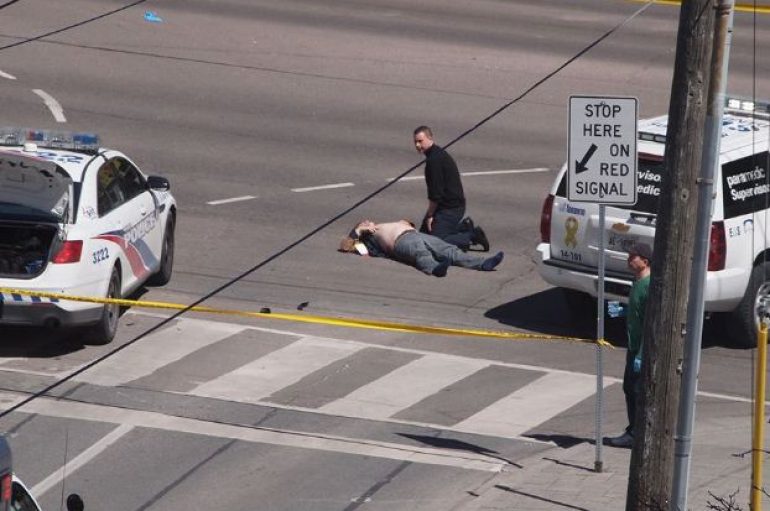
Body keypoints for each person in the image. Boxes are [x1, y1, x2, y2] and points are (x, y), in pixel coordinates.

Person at [603, 242, 652, 448]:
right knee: (629, 388)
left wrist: (642, 353)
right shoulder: (637, 282)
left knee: (636, 390)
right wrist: (624, 310)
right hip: (633, 346)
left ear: (645, 261)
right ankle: (634, 429)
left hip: (641, 348)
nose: (629, 259)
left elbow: (650, 322)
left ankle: (636, 434)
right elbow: (639, 311)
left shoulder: (648, 285)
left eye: (634, 256)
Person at [339, 219, 503, 277]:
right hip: (401, 242)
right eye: (363, 223)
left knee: (448, 250)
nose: (367, 221)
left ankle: (483, 264)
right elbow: (345, 246)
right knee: (420, 253)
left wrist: (405, 223)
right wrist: (359, 231)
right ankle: (434, 269)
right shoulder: (367, 238)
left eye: (367, 221)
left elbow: (409, 223)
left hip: (414, 234)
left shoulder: (381, 225)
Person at [413, 125, 489, 251]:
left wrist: (430, 215)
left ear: (430, 138)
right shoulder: (436, 154)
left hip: (451, 208)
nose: (417, 145)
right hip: (444, 206)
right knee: (423, 237)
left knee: (435, 242)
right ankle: (464, 227)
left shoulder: (434, 161)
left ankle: (472, 235)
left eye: (420, 141)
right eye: (415, 142)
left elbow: (436, 194)